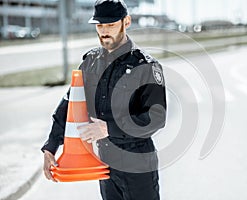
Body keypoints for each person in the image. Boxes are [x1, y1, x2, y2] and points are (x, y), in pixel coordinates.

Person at [41, 0, 167, 199]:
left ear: (126, 22)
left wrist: (109, 128)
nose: (104, 31)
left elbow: (156, 117)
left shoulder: (146, 66)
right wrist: (50, 147)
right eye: (100, 25)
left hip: (138, 166)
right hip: (105, 166)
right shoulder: (90, 63)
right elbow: (69, 105)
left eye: (111, 24)